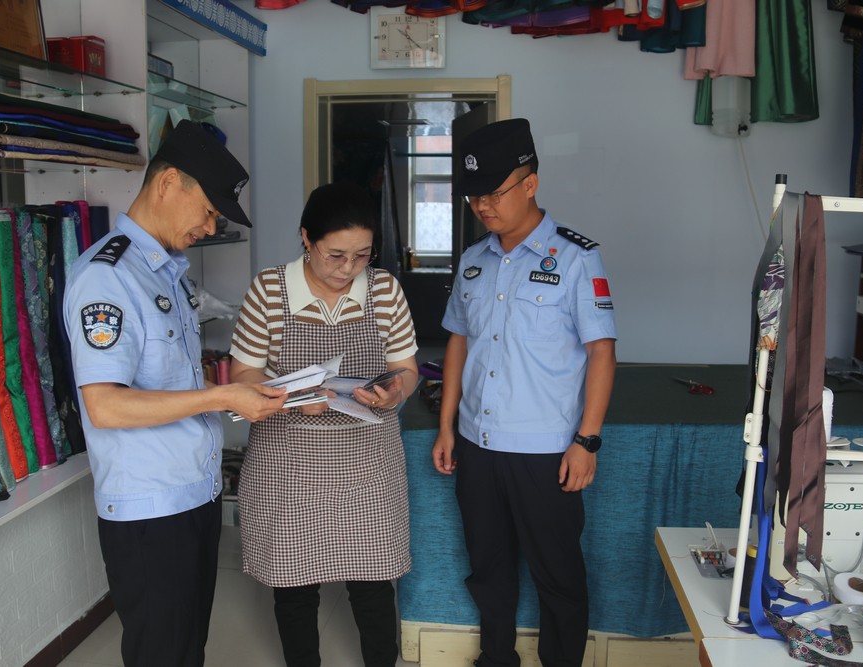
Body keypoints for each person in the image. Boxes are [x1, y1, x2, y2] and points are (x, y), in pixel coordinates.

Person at [63, 120, 288, 667]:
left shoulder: (166, 273)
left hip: (193, 494)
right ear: (167, 183)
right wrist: (222, 399)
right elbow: (105, 405)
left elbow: (174, 382)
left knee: (187, 651)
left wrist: (247, 389)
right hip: (149, 510)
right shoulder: (107, 277)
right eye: (208, 211)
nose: (210, 227)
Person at [431, 118, 617, 667]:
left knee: (557, 576)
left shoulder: (577, 259)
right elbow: (458, 342)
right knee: (488, 569)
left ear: (530, 183)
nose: (482, 206)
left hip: (544, 453)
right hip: (478, 445)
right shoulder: (473, 261)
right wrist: (446, 426)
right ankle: (496, 659)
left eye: (493, 193)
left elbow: (602, 353)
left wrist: (587, 440)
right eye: (474, 196)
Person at [229, 182, 420, 667]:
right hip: (289, 464)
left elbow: (406, 368)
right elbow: (244, 375)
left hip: (367, 464)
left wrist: (396, 391)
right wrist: (297, 399)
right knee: (294, 586)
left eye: (361, 256)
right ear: (306, 238)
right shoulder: (269, 289)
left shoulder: (384, 289)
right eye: (335, 255)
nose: (348, 268)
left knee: (373, 582)